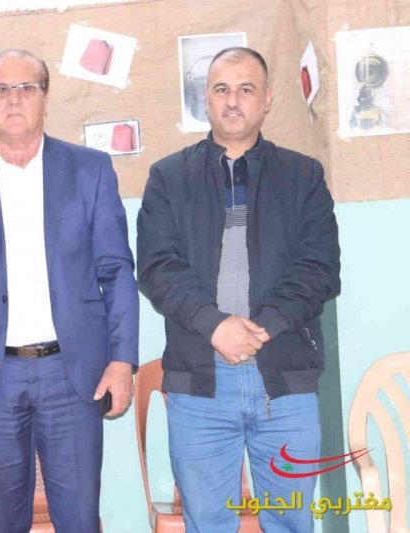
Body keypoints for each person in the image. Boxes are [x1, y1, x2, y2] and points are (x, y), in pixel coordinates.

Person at [0, 49, 139, 532]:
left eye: (26, 88)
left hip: (73, 373)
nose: (14, 99)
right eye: (0, 89)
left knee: (80, 519)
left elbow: (116, 271)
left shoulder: (90, 170)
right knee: (1, 522)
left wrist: (123, 360)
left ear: (45, 98)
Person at [137, 47, 341, 532]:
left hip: (284, 381)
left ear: (267, 99)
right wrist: (216, 327)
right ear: (206, 100)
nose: (233, 100)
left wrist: (260, 328)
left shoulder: (303, 176)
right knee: (208, 522)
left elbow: (319, 268)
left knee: (291, 521)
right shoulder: (168, 178)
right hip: (199, 385)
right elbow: (158, 268)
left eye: (246, 89)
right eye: (221, 89)